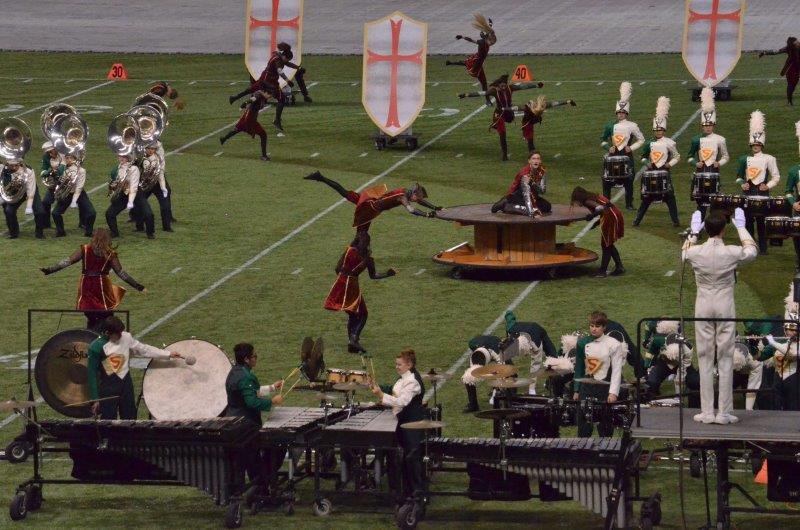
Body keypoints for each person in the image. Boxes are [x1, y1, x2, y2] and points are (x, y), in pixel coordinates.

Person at [683, 208, 758, 424]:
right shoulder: (731, 252)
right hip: (724, 304)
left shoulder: (696, 252)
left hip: (703, 305)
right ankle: (724, 412)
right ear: (724, 230)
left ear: (706, 229)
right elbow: (752, 251)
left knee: (705, 355)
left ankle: (707, 412)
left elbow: (683, 253)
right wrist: (741, 227)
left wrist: (693, 233)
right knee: (725, 357)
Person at [40, 228, 147, 331]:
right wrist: (138, 286)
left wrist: (50, 270)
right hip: (102, 287)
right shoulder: (110, 253)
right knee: (106, 315)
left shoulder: (85, 249)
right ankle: (103, 334)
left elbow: (67, 261)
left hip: (86, 286)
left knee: (90, 315)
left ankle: (91, 333)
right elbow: (121, 273)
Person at [85, 316, 181, 419]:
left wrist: (167, 354)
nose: (121, 335)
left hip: (126, 384)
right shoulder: (96, 347)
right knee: (108, 419)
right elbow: (92, 374)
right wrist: (95, 399)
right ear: (107, 333)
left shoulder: (125, 337)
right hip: (108, 388)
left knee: (130, 416)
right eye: (118, 334)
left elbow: (144, 349)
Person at [324, 230, 396, 353]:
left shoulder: (349, 251)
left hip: (340, 283)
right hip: (352, 285)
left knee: (352, 314)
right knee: (363, 314)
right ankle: (354, 339)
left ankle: (351, 342)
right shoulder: (368, 259)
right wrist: (388, 274)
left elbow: (337, 268)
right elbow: (373, 276)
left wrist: (344, 275)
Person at [370, 349, 426, 501]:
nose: (396, 367)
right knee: (405, 460)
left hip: (412, 425)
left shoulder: (413, 381)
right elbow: (395, 391)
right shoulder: (403, 378)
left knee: (412, 459)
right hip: (403, 422)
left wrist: (381, 395)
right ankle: (404, 491)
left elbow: (402, 401)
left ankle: (417, 494)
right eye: (396, 364)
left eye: (399, 364)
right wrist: (378, 388)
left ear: (409, 365)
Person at [304, 171, 440, 230]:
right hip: (371, 207)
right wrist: (427, 215)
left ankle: (320, 177)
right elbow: (411, 210)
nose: (418, 200)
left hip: (372, 199)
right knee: (362, 227)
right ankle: (320, 177)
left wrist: (434, 208)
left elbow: (419, 202)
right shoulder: (402, 196)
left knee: (345, 193)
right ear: (414, 194)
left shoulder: (406, 191)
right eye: (418, 197)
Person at [458, 75, 543, 161]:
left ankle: (530, 145)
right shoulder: (494, 91)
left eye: (504, 86)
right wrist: (466, 95)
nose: (503, 88)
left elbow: (523, 86)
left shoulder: (510, 88)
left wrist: (536, 85)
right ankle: (504, 154)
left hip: (508, 112)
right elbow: (481, 93)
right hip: (499, 113)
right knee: (502, 133)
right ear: (498, 86)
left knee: (524, 119)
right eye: (501, 86)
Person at [572, 311, 627, 437]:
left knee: (605, 426)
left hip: (605, 387)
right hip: (587, 386)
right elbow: (579, 367)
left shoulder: (613, 344)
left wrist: (613, 393)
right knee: (583, 425)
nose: (594, 329)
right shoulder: (582, 343)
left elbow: (617, 370)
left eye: (597, 326)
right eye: (591, 326)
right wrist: (576, 390)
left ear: (604, 327)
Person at [735, 111, 780, 254]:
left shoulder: (769, 158)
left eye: (758, 144)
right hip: (748, 192)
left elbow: (776, 177)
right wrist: (742, 183)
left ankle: (763, 248)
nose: (755, 146)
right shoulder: (744, 159)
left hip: (762, 193)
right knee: (748, 221)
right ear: (751, 144)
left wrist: (768, 185)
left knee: (762, 221)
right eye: (754, 144)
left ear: (762, 145)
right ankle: (750, 247)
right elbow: (738, 176)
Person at [229, 42, 299, 131]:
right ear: (284, 56)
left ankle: (235, 98)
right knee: (281, 99)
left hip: (264, 78)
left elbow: (287, 63)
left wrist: (298, 67)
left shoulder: (278, 56)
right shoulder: (278, 60)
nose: (287, 61)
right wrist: (287, 80)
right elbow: (279, 71)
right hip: (270, 82)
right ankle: (277, 120)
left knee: (252, 89)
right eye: (287, 59)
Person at [634, 96, 680, 227]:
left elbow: (677, 156)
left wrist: (669, 164)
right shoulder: (649, 143)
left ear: (663, 130)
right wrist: (646, 163)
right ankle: (637, 220)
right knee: (646, 199)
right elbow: (643, 157)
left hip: (665, 172)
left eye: (660, 130)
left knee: (670, 197)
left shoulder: (670, 142)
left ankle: (676, 221)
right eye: (656, 130)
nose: (658, 132)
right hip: (652, 172)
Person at [600, 82, 644, 211]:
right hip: (612, 155)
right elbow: (602, 140)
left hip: (626, 155)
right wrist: (608, 148)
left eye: (623, 112)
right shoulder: (610, 126)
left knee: (629, 180)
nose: (620, 114)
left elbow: (641, 140)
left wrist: (631, 148)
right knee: (607, 180)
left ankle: (629, 204)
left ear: (626, 113)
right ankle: (606, 203)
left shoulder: (632, 125)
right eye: (619, 112)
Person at [686, 87, 729, 220]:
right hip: (700, 172)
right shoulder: (696, 139)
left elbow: (726, 156)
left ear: (713, 125)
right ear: (702, 126)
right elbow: (689, 157)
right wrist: (695, 163)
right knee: (701, 204)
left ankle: (714, 225)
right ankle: (698, 226)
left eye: (710, 125)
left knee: (715, 203)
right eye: (705, 126)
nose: (708, 128)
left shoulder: (720, 139)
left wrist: (719, 163)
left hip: (714, 172)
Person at [642, 319, 700, 407]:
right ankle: (652, 403)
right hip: (664, 362)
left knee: (694, 382)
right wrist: (648, 368)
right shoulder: (657, 339)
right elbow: (651, 353)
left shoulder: (688, 350)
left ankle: (694, 405)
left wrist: (678, 397)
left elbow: (681, 375)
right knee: (652, 382)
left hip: (682, 363)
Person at [570, 186, 625, 277]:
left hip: (610, 216)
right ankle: (619, 267)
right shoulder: (592, 197)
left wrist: (592, 216)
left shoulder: (587, 200)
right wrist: (596, 223)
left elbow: (601, 209)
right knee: (608, 244)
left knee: (606, 245)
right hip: (614, 213)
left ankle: (602, 271)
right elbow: (605, 208)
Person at [446, 13, 497, 106]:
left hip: (478, 60)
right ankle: (487, 101)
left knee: (466, 63)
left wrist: (490, 24)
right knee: (482, 81)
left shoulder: (486, 41)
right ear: (486, 37)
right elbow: (472, 39)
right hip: (478, 62)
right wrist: (462, 37)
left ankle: (450, 63)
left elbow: (489, 32)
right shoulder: (483, 42)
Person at [504, 310, 557, 394]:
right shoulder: (511, 329)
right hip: (527, 333)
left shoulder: (536, 346)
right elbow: (509, 316)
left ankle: (549, 383)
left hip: (539, 332)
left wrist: (531, 390)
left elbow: (535, 366)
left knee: (553, 357)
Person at [106, 153, 154, 239]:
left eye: (124, 157)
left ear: (128, 158)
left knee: (148, 213)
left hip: (137, 193)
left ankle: (150, 233)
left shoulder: (133, 169)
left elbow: (133, 186)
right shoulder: (116, 169)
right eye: (120, 156)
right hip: (124, 194)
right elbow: (116, 184)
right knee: (109, 213)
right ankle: (114, 233)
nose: (121, 159)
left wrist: (131, 201)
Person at [491, 151, 551, 217]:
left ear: (540, 161)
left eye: (538, 158)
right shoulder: (525, 175)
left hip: (533, 196)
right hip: (518, 196)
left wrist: (532, 183)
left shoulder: (542, 171)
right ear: (529, 161)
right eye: (533, 159)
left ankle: (519, 207)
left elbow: (542, 191)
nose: (536, 161)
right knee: (531, 210)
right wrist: (531, 213)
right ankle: (505, 205)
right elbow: (526, 195)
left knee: (547, 207)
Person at [510, 96, 576, 154]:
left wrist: (568, 101)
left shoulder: (543, 106)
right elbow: (515, 108)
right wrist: (505, 109)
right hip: (527, 122)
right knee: (529, 136)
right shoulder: (526, 108)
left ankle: (531, 148)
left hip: (533, 121)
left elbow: (556, 103)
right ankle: (532, 150)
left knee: (529, 136)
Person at [51, 152, 96, 237]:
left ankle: (89, 232)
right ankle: (61, 232)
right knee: (55, 213)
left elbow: (79, 187)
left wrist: (74, 201)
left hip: (79, 194)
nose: (68, 160)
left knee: (92, 213)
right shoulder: (62, 169)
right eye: (67, 158)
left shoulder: (81, 171)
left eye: (70, 158)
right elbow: (59, 182)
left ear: (74, 159)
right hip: (67, 193)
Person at [220, 91, 273, 161]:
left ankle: (224, 138)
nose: (269, 97)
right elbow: (252, 99)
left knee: (237, 129)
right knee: (263, 135)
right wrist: (244, 104)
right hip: (250, 119)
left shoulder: (263, 98)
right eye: (269, 95)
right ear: (265, 92)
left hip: (249, 117)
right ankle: (264, 156)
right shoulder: (259, 95)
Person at [2, 156, 46, 239]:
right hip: (15, 191)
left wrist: (29, 206)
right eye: (11, 165)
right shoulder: (5, 170)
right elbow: (3, 186)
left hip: (30, 189)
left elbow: (30, 190)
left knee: (39, 211)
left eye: (16, 165)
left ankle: (39, 233)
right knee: (9, 210)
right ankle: (13, 233)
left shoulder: (28, 171)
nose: (14, 168)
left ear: (20, 163)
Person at [134, 141, 172, 233]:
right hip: (144, 184)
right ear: (145, 149)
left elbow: (161, 173)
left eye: (153, 149)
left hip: (158, 183)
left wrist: (163, 187)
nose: (151, 151)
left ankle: (167, 227)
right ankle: (139, 227)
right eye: (149, 149)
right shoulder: (140, 158)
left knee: (165, 205)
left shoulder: (158, 158)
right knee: (138, 204)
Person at [461, 334, 503, 412]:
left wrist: (496, 381)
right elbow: (474, 373)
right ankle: (473, 405)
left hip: (495, 345)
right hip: (482, 350)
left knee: (504, 372)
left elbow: (502, 368)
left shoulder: (496, 352)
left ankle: (499, 395)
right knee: (468, 378)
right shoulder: (473, 357)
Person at [765, 323, 800, 410]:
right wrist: (755, 345)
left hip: (793, 380)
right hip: (778, 379)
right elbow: (765, 362)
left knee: (792, 407)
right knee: (776, 406)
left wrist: (773, 342)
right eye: (786, 329)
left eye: (792, 330)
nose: (788, 332)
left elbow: (792, 354)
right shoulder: (783, 345)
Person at [759, 37, 800, 105]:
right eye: (796, 42)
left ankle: (789, 100)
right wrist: (765, 52)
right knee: (791, 84)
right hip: (791, 69)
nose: (798, 42)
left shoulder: (793, 47)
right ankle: (789, 101)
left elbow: (776, 52)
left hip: (795, 68)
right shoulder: (788, 48)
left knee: (793, 84)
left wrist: (764, 52)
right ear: (793, 44)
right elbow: (776, 52)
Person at [784, 120, 800, 270]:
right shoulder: (794, 171)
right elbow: (788, 191)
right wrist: (793, 203)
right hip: (799, 208)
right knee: (797, 237)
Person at [39, 141, 63, 229]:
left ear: (55, 149)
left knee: (80, 201)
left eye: (50, 151)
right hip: (54, 184)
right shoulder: (46, 157)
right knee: (45, 202)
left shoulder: (64, 155)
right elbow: (43, 171)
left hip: (68, 184)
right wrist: (49, 171)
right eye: (48, 152)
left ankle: (83, 223)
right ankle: (46, 224)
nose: (49, 154)